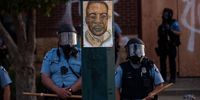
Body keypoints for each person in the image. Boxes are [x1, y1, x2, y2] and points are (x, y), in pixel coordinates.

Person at [41, 24, 82, 100]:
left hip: (75, 95)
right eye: (65, 38)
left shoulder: (82, 55)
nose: (68, 42)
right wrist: (58, 90)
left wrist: (70, 90)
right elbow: (44, 77)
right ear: (59, 39)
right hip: (54, 95)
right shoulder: (50, 54)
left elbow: (85, 77)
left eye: (71, 38)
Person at [156, 8, 181, 83]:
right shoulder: (161, 25)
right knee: (162, 62)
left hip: (171, 45)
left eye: (167, 14)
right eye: (164, 14)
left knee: (172, 62)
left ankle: (172, 78)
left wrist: (170, 30)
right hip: (163, 46)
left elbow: (179, 32)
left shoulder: (174, 23)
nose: (165, 15)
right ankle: (163, 77)